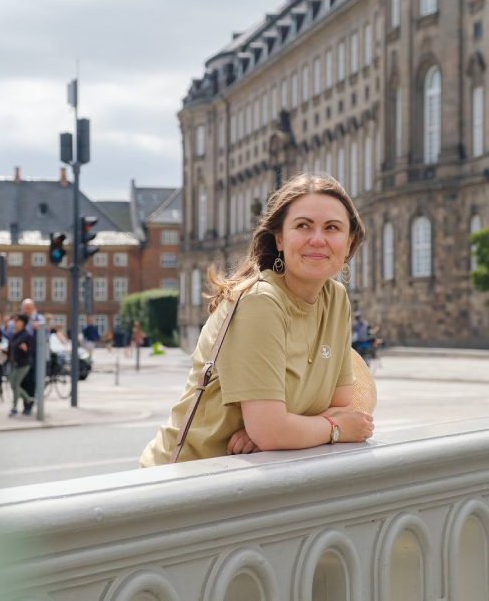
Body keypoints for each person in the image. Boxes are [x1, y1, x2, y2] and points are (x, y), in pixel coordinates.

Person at [141, 173, 374, 467]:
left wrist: (284, 428)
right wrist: (330, 429)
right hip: (187, 479)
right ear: (279, 238)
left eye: (332, 228)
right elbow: (283, 429)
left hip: (247, 476)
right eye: (303, 226)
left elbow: (340, 403)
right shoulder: (260, 301)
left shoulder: (335, 298)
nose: (318, 239)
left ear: (349, 240)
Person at [7, 313, 35, 416]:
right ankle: (28, 399)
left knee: (15, 384)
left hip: (23, 364)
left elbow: (32, 350)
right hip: (14, 363)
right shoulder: (14, 334)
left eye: (17, 320)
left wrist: (26, 349)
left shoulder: (27, 335)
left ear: (23, 323)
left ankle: (14, 407)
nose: (15, 322)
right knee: (12, 384)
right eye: (14, 320)